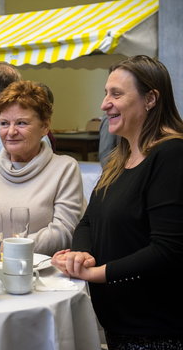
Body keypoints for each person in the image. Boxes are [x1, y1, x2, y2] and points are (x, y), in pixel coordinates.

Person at [51, 55, 183, 349]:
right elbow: (88, 220)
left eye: (116, 94)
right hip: (120, 325)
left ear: (150, 98)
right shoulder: (119, 158)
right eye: (105, 93)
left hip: (157, 331)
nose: (104, 104)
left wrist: (95, 274)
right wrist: (81, 255)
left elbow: (169, 250)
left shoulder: (171, 154)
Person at [0, 80, 84, 256]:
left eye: (21, 123)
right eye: (4, 123)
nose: (11, 132)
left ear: (44, 126)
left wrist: (4, 247)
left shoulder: (64, 169)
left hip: (42, 277)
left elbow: (64, 233)